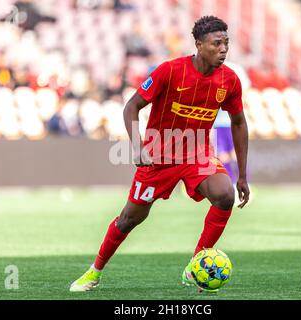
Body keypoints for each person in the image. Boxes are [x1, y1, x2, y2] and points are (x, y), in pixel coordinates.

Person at [70, 16, 250, 293]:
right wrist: (137, 146)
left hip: (197, 154)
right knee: (129, 219)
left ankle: (195, 265)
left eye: (226, 43)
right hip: (158, 156)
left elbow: (238, 122)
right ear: (199, 45)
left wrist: (242, 175)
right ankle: (94, 272)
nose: (224, 49)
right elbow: (131, 107)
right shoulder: (170, 71)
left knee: (225, 195)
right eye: (217, 43)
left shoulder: (229, 80)